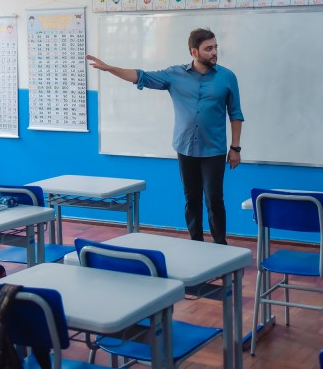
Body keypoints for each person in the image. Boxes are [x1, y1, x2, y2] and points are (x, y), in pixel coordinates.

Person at [86, 28, 243, 245]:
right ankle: (196, 243)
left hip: (213, 149)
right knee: (192, 199)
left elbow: (235, 114)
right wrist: (110, 68)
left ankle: (220, 246)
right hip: (185, 148)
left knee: (214, 200)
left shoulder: (227, 77)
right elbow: (142, 76)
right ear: (194, 52)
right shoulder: (175, 75)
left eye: (215, 47)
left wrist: (235, 148)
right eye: (209, 48)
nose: (214, 52)